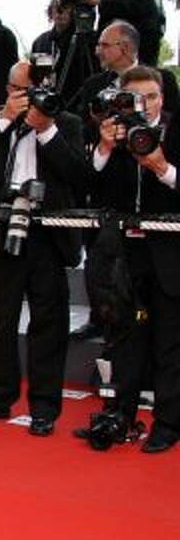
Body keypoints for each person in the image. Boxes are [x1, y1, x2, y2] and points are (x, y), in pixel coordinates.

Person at [0, 61, 86, 436]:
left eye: (25, 90)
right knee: (0, 319)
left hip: (48, 234)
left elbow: (78, 175)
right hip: (0, 229)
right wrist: (4, 118)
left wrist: (45, 130)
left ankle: (45, 407)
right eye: (13, 88)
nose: (18, 95)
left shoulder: (67, 122)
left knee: (49, 322)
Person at [73, 66, 178, 453]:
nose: (144, 106)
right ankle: (120, 414)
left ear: (162, 98)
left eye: (151, 97)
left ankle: (167, 425)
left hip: (168, 256)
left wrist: (161, 167)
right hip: (123, 256)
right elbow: (87, 187)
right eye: (135, 98)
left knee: (169, 344)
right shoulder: (112, 136)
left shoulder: (175, 132)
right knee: (124, 341)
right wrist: (102, 148)